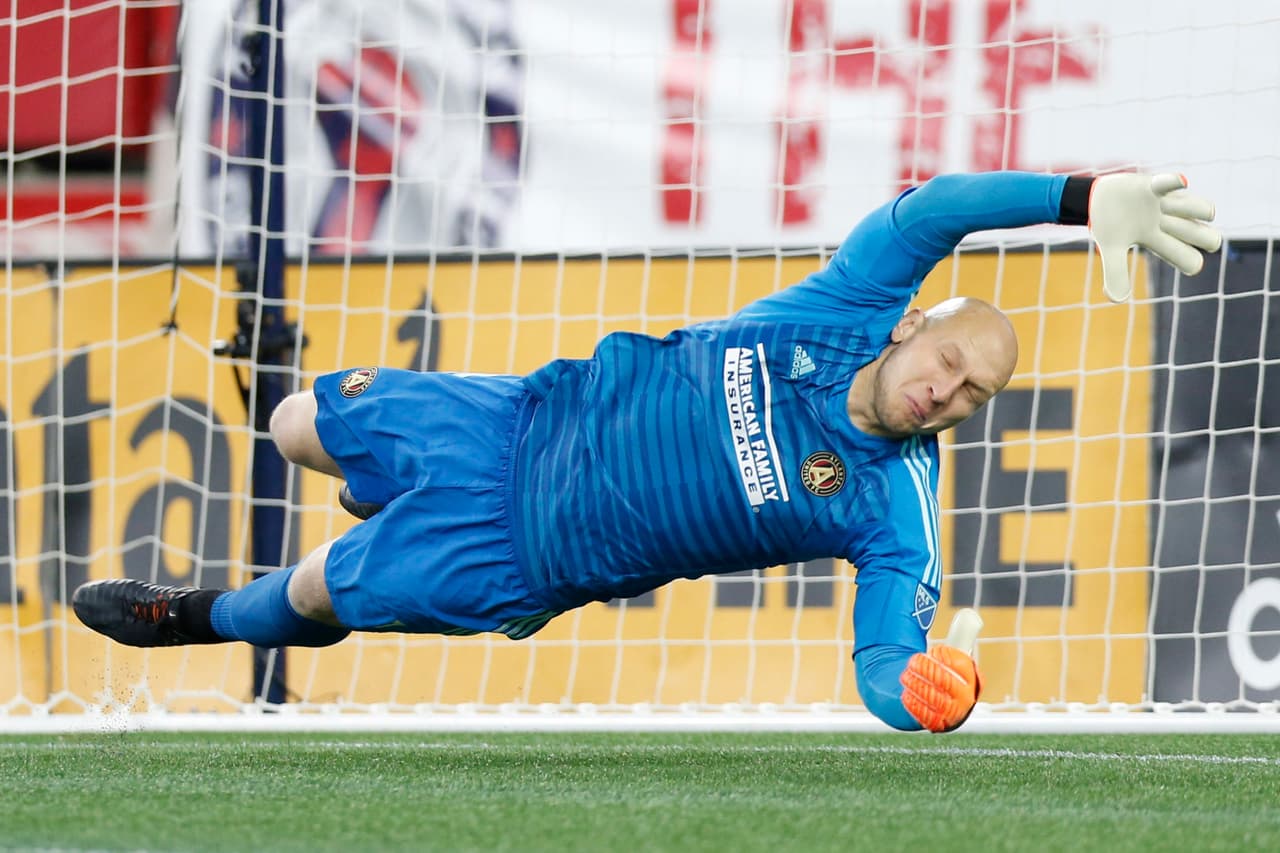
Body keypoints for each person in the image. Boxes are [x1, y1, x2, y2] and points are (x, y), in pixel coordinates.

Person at [72, 171, 1221, 732]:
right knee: (289, 426)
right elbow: (938, 208)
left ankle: (197, 618)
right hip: (513, 417)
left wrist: (920, 693)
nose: (945, 392)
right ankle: (363, 499)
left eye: (971, 396)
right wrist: (1083, 192)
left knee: (321, 586)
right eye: (948, 361)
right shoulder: (847, 303)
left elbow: (881, 655)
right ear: (912, 325)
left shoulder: (890, 508)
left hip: (522, 551)